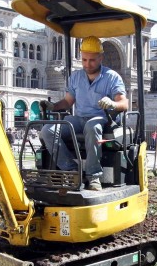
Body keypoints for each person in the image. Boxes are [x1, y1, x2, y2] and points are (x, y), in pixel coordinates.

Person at [40, 36, 127, 191]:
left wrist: (113, 103)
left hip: (101, 119)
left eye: (92, 60)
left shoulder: (112, 77)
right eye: (84, 60)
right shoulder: (76, 77)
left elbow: (124, 104)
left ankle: (94, 177)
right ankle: (72, 171)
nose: (87, 64)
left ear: (101, 58)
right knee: (47, 131)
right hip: (78, 119)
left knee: (92, 126)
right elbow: (67, 102)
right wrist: (53, 106)